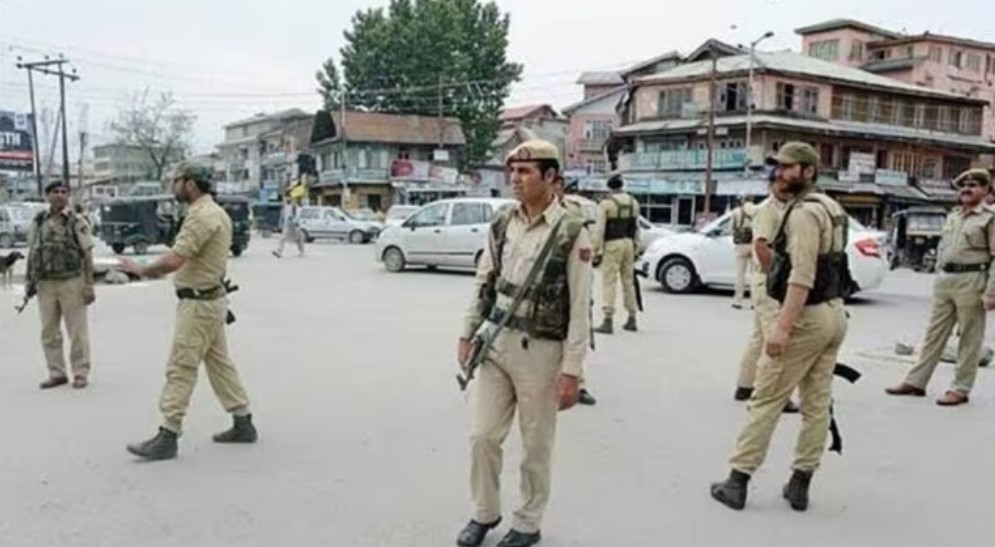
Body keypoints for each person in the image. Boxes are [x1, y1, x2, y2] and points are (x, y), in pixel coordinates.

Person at [456, 140, 591, 547]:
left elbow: (580, 308)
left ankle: (528, 523)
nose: (515, 179)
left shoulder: (572, 232)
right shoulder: (503, 222)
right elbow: (485, 281)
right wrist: (467, 333)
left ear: (550, 177)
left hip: (542, 354)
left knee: (535, 446)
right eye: (512, 171)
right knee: (482, 437)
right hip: (496, 344)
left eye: (525, 171)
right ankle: (485, 512)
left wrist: (572, 371)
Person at [710, 142, 849, 512]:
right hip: (834, 312)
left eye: (788, 167)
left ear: (808, 171)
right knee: (817, 403)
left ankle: (737, 481)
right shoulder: (831, 206)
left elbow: (802, 276)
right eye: (779, 167)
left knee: (767, 399)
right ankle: (800, 483)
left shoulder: (803, 213)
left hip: (808, 316)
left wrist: (783, 326)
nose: (779, 173)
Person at [120, 163, 257, 461]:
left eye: (176, 180)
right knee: (219, 364)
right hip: (210, 301)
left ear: (191, 184)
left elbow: (174, 260)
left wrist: (142, 269)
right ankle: (243, 421)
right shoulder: (214, 212)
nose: (173, 185)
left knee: (181, 366)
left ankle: (168, 434)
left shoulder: (202, 216)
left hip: (199, 304)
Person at [885, 168, 995, 406]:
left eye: (974, 185)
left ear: (987, 190)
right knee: (934, 333)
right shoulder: (954, 215)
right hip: (946, 279)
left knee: (969, 338)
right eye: (964, 185)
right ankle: (916, 381)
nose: (967, 189)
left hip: (972, 279)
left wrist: (991, 292)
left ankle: (960, 388)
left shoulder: (989, 218)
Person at [733, 167, 799, 413]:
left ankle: (745, 385)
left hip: (765, 281)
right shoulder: (767, 210)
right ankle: (768, 394)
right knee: (776, 342)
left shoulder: (787, 208)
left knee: (759, 337)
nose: (785, 186)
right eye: (780, 182)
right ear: (771, 185)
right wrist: (777, 276)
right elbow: (761, 247)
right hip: (769, 281)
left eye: (789, 182)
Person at [26, 180, 96, 390]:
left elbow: (87, 253)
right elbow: (33, 250)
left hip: (71, 281)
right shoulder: (39, 221)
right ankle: (56, 373)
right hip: (45, 283)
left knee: (77, 331)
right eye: (55, 191)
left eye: (64, 192)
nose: (60, 195)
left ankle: (80, 372)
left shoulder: (76, 221)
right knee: (49, 331)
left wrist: (89, 285)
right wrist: (30, 280)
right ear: (47, 195)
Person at [553, 175, 597, 407]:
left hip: (574, 275)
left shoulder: (574, 209)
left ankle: (578, 382)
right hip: (550, 282)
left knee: (577, 328)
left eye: (559, 186)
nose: (556, 190)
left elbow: (586, 241)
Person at [592, 174, 639, 334]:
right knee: (628, 281)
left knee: (609, 281)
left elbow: (600, 229)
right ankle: (632, 317)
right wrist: (636, 246)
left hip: (612, 244)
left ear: (609, 187)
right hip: (629, 243)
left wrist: (596, 250)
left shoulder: (606, 204)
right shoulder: (633, 202)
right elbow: (636, 227)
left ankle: (608, 319)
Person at [731, 196, 756, 309]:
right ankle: (753, 302)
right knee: (754, 275)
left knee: (740, 274)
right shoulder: (757, 210)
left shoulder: (736, 211)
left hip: (741, 245)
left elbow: (731, 228)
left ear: (742, 201)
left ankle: (738, 301)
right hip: (754, 244)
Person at [272, 180, 306, 258]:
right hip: (288, 224)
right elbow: (284, 216)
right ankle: (279, 251)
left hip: (295, 224)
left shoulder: (296, 206)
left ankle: (301, 252)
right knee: (283, 237)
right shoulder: (287, 206)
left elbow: (297, 214)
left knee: (299, 239)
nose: (286, 199)